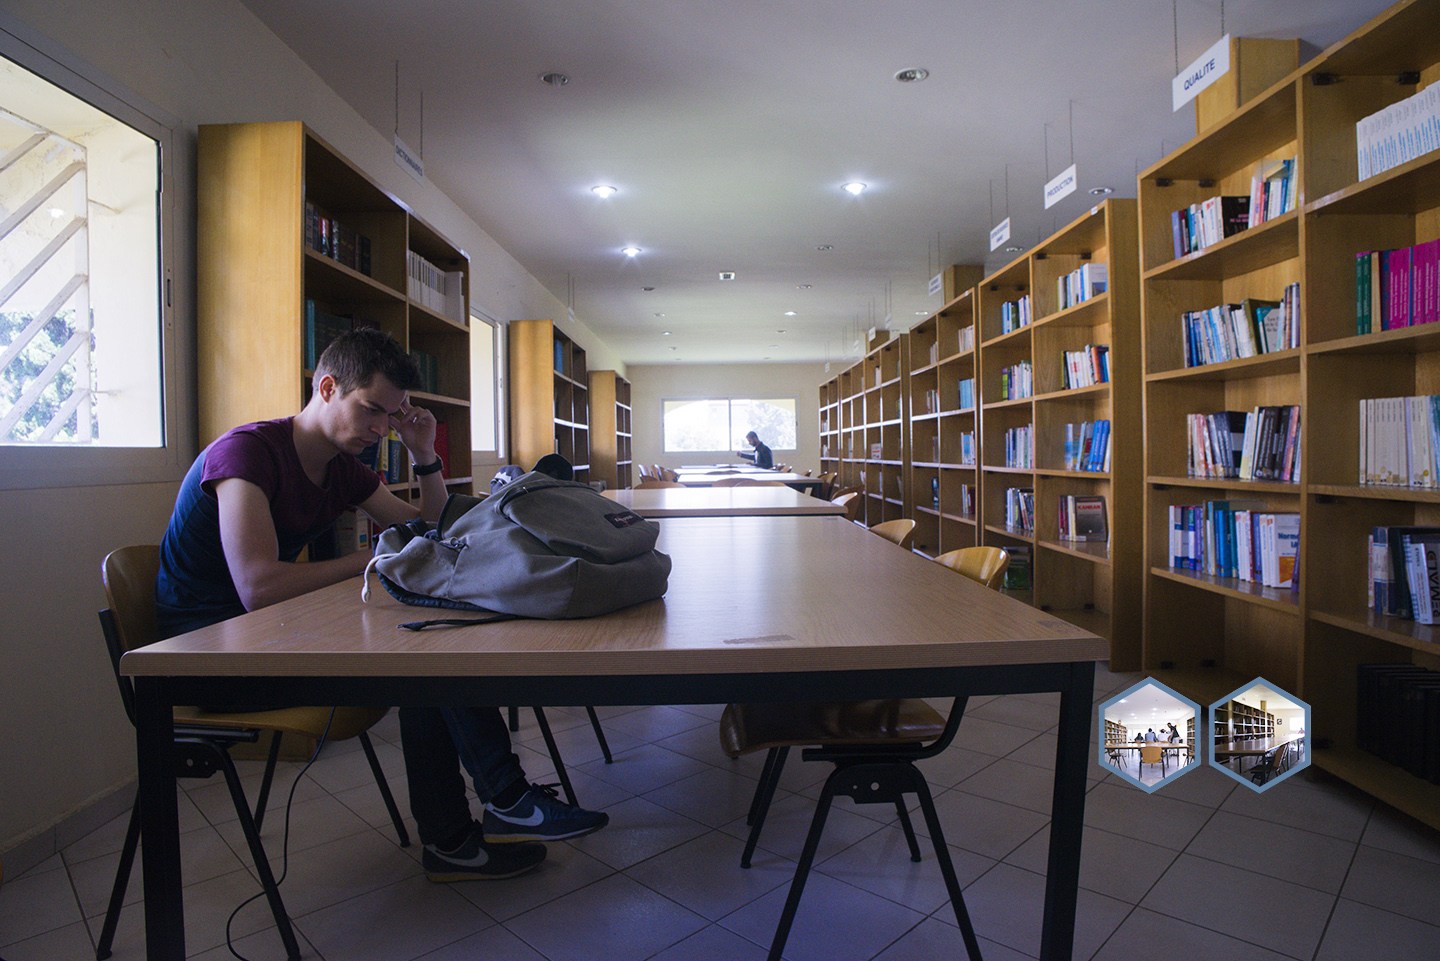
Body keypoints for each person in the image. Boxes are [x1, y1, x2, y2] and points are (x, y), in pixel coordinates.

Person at [155, 328, 606, 884]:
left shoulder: (340, 468)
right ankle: (498, 806)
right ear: (327, 388)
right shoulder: (245, 453)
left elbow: (431, 530)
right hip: (207, 655)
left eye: (390, 416)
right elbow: (259, 588)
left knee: (425, 652)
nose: (379, 429)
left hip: (271, 634)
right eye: (371, 410)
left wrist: (423, 455)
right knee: (421, 663)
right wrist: (375, 558)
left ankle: (466, 836)